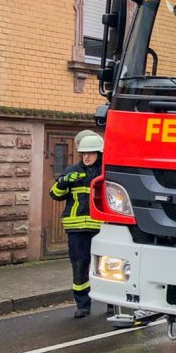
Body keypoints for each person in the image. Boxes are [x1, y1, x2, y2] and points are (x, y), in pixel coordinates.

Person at [50, 133, 104, 318]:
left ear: (99, 154)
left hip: (102, 229)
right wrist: (63, 182)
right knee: (80, 266)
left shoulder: (106, 172)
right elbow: (55, 194)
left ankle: (112, 304)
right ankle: (83, 304)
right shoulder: (71, 171)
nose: (86, 157)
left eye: (90, 153)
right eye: (83, 154)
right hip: (77, 229)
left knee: (108, 267)